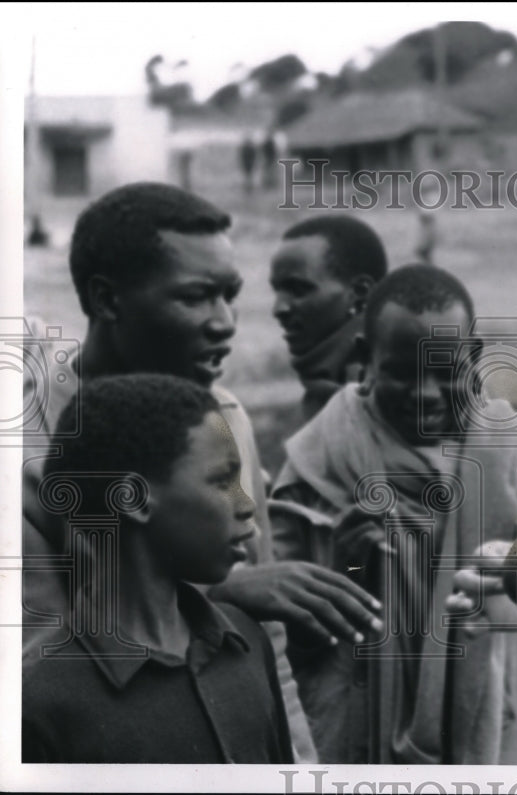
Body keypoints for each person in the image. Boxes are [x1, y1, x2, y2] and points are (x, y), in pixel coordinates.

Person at [20, 182, 381, 763]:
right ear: (107, 300)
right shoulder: (28, 457)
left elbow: (269, 652)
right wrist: (222, 589)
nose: (225, 323)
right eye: (196, 297)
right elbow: (38, 678)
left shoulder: (223, 420)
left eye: (230, 295)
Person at [269, 264, 517, 764]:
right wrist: (344, 568)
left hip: (493, 742)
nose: (425, 394)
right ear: (365, 359)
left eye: (445, 371)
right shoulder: (321, 457)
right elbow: (285, 638)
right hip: (354, 746)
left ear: (473, 358)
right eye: (401, 373)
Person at [22, 375, 293, 763]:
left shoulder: (246, 643)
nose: (247, 504)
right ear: (134, 500)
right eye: (222, 480)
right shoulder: (39, 703)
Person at [269, 215, 388, 422]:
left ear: (361, 292)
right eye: (277, 291)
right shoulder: (324, 390)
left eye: (298, 290)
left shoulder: (388, 398)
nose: (279, 309)